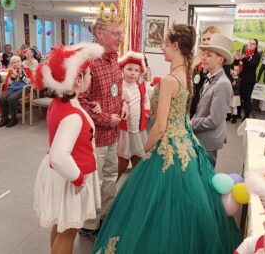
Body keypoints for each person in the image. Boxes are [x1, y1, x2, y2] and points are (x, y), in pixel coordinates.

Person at [92, 23, 242, 254]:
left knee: (156, 202)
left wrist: (145, 152)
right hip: (186, 143)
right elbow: (183, 117)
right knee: (184, 204)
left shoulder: (171, 80)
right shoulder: (186, 74)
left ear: (174, 45)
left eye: (164, 44)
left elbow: (160, 126)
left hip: (169, 147)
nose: (162, 49)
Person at [33, 43, 104, 254]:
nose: (91, 78)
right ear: (76, 79)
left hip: (63, 176)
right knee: (68, 231)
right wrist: (79, 179)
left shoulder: (62, 103)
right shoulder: (72, 115)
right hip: (70, 178)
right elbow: (58, 155)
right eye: (88, 74)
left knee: (60, 224)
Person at [78, 2, 128, 241]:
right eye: (116, 33)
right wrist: (108, 118)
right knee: (93, 182)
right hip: (95, 137)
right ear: (100, 34)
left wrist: (124, 104)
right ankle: (88, 225)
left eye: (120, 33)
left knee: (109, 177)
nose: (120, 37)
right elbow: (81, 100)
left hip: (112, 134)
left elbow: (115, 91)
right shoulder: (89, 61)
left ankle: (104, 217)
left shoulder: (113, 59)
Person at [192, 33, 233, 167]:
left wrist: (190, 123)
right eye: (203, 53)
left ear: (220, 60)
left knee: (205, 177)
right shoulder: (210, 77)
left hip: (208, 140)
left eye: (209, 55)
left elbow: (214, 120)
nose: (203, 57)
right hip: (201, 136)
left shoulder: (222, 84)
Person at [117, 51, 150, 180]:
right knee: (123, 159)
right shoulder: (119, 87)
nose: (132, 73)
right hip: (124, 129)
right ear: (122, 70)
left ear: (140, 72)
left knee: (138, 158)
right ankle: (113, 184)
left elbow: (146, 101)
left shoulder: (141, 88)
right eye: (129, 69)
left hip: (138, 129)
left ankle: (135, 184)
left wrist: (146, 111)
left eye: (136, 70)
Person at [190, 26, 220, 118]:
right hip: (194, 98)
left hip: (206, 102)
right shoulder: (199, 56)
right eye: (204, 39)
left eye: (209, 39)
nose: (206, 42)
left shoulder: (218, 59)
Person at [0, 56, 32, 128]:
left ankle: (14, 118)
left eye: (17, 62)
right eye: (13, 62)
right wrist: (13, 75)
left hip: (24, 88)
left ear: (20, 62)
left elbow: (29, 82)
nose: (16, 64)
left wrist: (20, 75)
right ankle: (5, 118)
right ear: (11, 64)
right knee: (1, 97)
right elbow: (11, 83)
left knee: (11, 98)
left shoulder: (26, 70)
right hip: (13, 88)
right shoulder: (11, 71)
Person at [235, 39, 261, 121]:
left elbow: (252, 66)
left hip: (249, 80)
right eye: (250, 43)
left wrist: (243, 59)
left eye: (253, 44)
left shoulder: (257, 55)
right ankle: (238, 113)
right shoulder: (245, 53)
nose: (251, 45)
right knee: (238, 97)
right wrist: (237, 59)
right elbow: (237, 64)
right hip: (240, 78)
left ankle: (246, 116)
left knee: (246, 98)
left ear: (256, 46)